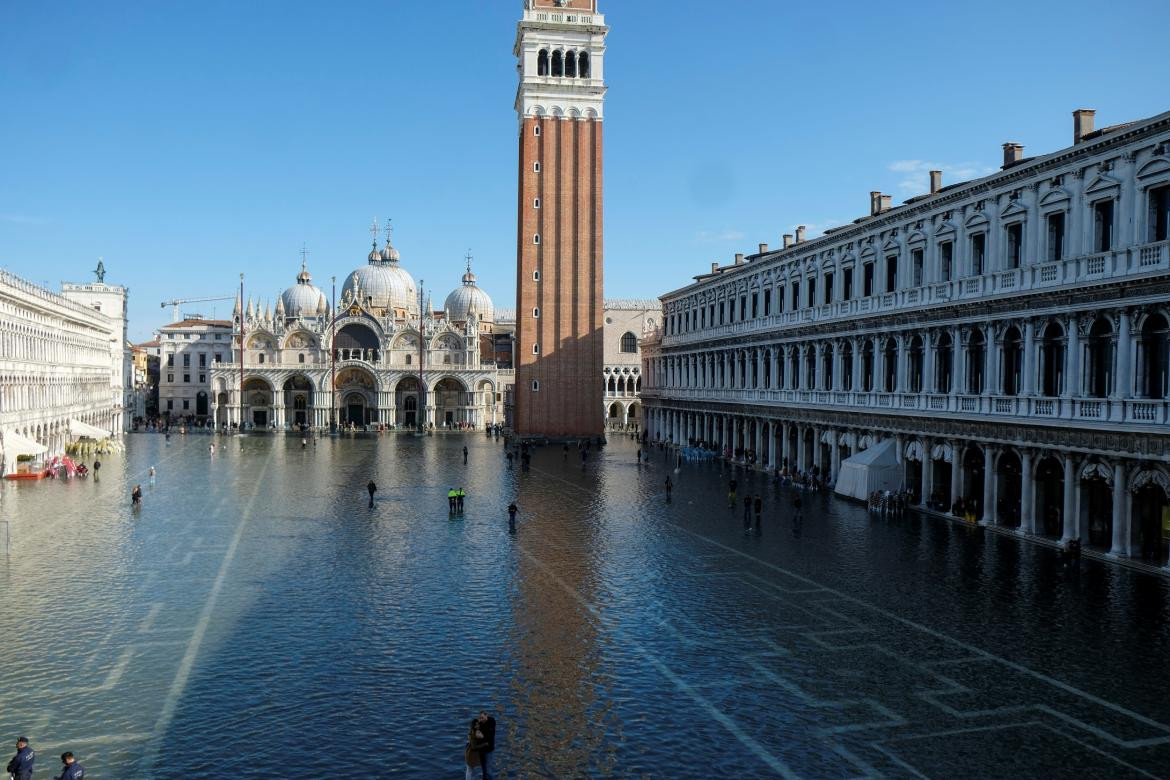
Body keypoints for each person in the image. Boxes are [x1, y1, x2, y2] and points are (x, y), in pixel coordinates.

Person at [472, 711, 496, 780]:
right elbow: (473, 723)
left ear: (486, 715)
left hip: (489, 750)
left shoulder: (491, 721)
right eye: (480, 718)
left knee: (488, 769)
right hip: (481, 750)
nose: (481, 719)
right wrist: (476, 729)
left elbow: (490, 736)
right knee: (484, 769)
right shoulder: (479, 722)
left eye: (482, 718)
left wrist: (482, 736)